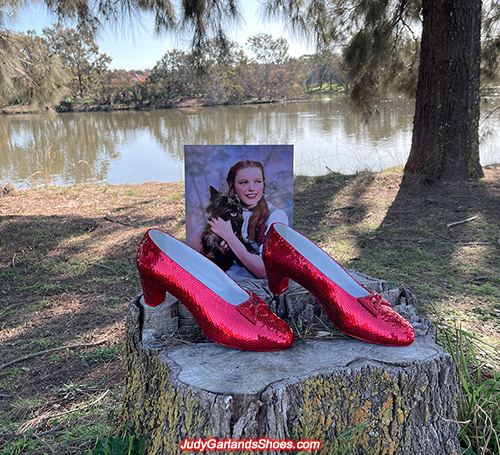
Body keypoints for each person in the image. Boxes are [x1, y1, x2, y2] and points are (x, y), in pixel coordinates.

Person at [209, 160, 289, 279]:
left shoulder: (276, 216)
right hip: (223, 280)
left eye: (257, 181)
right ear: (233, 187)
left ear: (263, 184)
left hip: (257, 287)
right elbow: (206, 258)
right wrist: (219, 252)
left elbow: (263, 272)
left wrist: (229, 237)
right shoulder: (227, 212)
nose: (252, 188)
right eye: (244, 182)